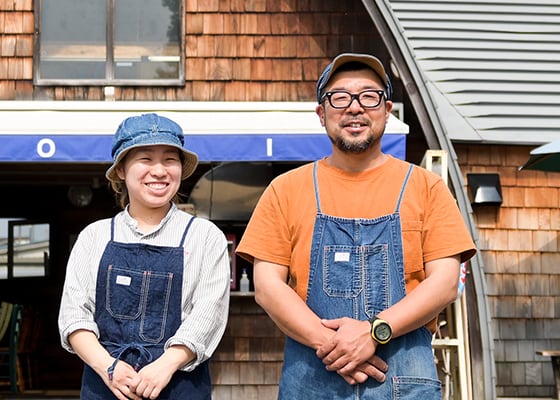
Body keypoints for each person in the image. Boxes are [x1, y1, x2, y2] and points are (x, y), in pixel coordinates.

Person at [236, 53, 476, 399]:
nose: (354, 107)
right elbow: (267, 287)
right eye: (340, 97)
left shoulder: (427, 188)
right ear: (321, 114)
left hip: (403, 381)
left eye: (368, 95)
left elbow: (444, 283)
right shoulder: (285, 191)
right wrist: (335, 345)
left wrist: (374, 332)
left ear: (387, 110)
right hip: (313, 376)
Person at [58, 113, 230, 400]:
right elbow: (74, 316)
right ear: (122, 170)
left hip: (179, 384)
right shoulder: (95, 236)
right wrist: (108, 367)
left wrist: (165, 365)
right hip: (106, 384)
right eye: (146, 159)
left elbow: (208, 313)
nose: (160, 171)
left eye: (169, 160)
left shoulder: (204, 236)